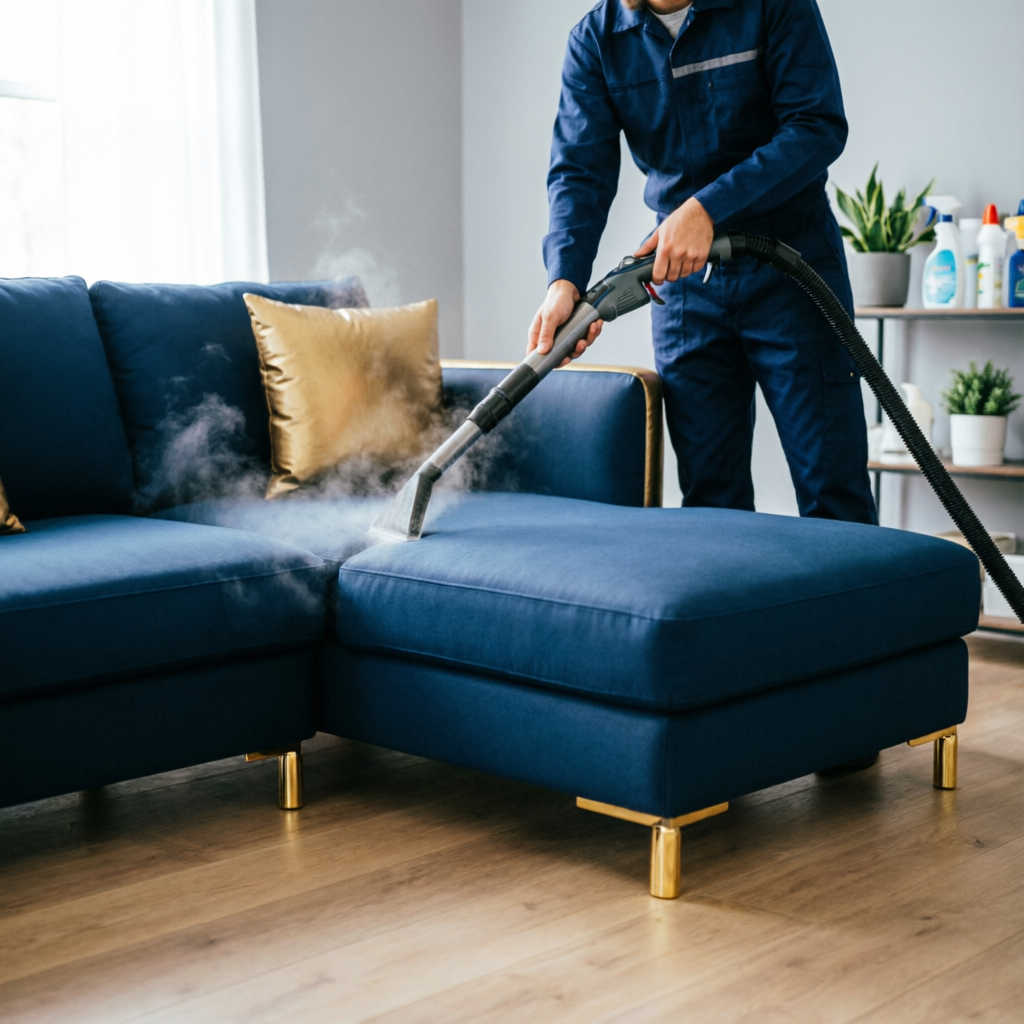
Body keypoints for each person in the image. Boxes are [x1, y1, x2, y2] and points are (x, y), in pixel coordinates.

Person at [528, 0, 877, 524]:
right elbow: (580, 171)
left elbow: (815, 125)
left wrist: (708, 208)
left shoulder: (773, 6)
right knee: (711, 501)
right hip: (684, 288)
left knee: (833, 489)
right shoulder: (596, 40)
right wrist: (564, 280)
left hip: (792, 270)